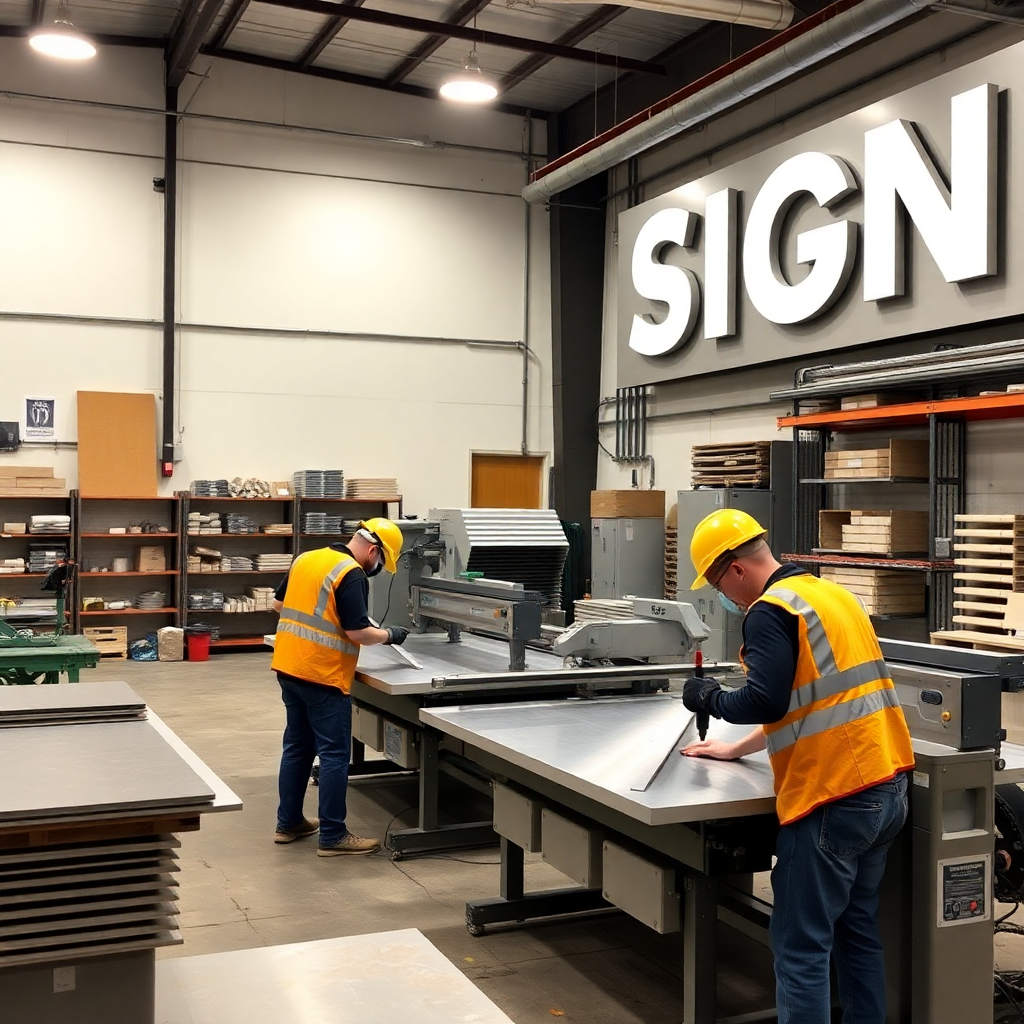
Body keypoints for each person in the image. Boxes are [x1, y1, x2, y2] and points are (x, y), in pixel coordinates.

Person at [681, 509, 914, 1024]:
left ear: (735, 569)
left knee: (800, 950)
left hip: (833, 799)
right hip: (888, 785)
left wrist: (708, 696)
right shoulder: (831, 595)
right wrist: (735, 748)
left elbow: (765, 699)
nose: (723, 596)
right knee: (857, 935)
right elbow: (815, 698)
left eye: (718, 583)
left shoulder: (769, 611)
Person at [271, 517, 409, 857]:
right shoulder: (351, 573)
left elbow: (278, 604)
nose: (377, 567)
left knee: (297, 748)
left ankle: (288, 824)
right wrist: (390, 634)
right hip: (323, 675)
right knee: (333, 755)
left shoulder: (307, 558)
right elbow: (358, 633)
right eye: (381, 560)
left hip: (289, 667)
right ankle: (332, 835)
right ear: (373, 550)